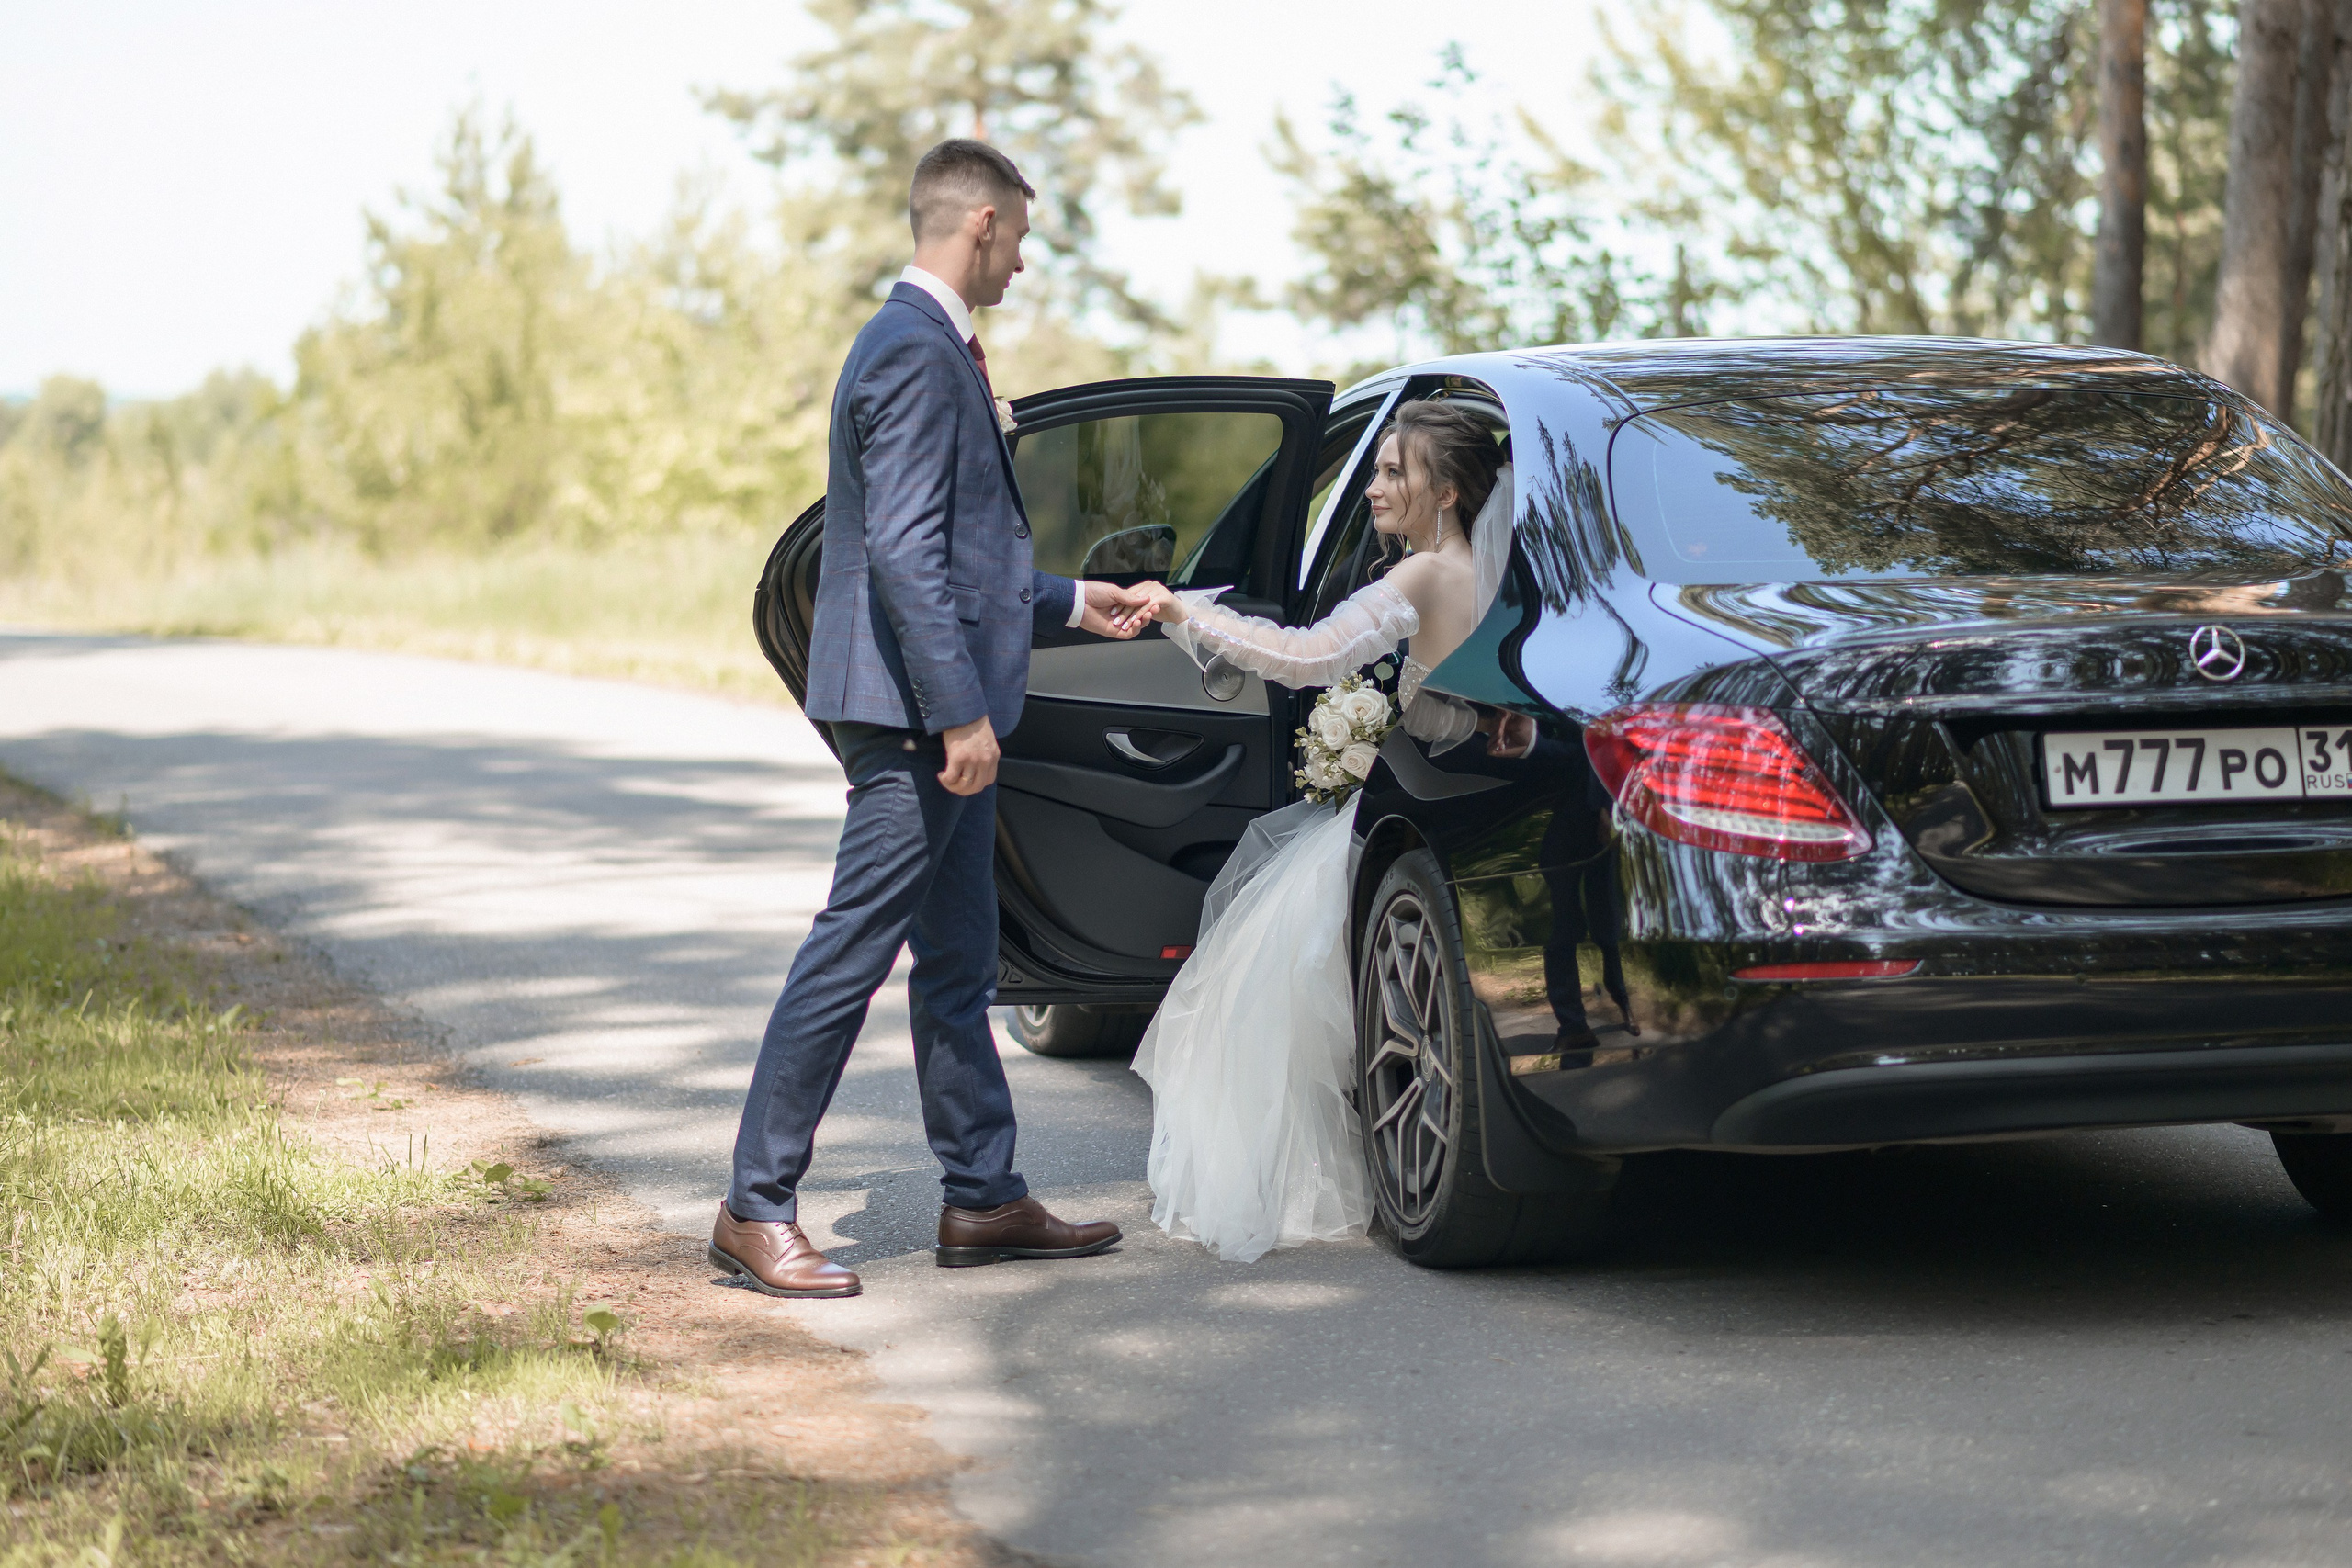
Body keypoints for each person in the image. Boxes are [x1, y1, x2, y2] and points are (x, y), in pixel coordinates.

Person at [712, 139, 1153, 1299]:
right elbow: (904, 555)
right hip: (913, 713)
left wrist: (1069, 596)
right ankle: (754, 1207)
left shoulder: (928, 346)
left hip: (929, 704)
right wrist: (960, 716)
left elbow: (958, 552)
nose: (1021, 261)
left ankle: (984, 1198)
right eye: (1020, 238)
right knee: (850, 948)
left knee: (958, 962)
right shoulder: (913, 352)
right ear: (980, 229)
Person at [1125, 400, 1523, 1262]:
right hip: (1475, 809)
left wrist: (1184, 613)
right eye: (1376, 470)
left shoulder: (1427, 575)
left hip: (1405, 812)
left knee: (1251, 994)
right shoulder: (1508, 577)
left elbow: (1308, 656)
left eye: (1393, 472)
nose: (1376, 487)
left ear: (1448, 491)